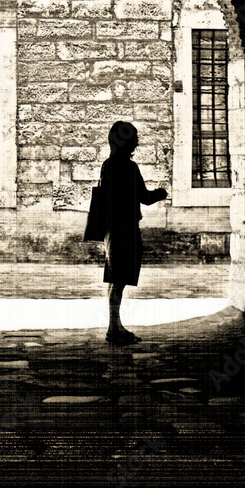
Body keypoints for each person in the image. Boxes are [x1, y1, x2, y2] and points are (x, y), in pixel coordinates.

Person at [100, 120, 167, 345]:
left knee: (115, 279)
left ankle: (115, 325)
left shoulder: (107, 165)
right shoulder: (130, 168)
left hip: (110, 229)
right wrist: (161, 192)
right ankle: (113, 329)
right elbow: (145, 198)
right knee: (119, 280)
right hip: (126, 229)